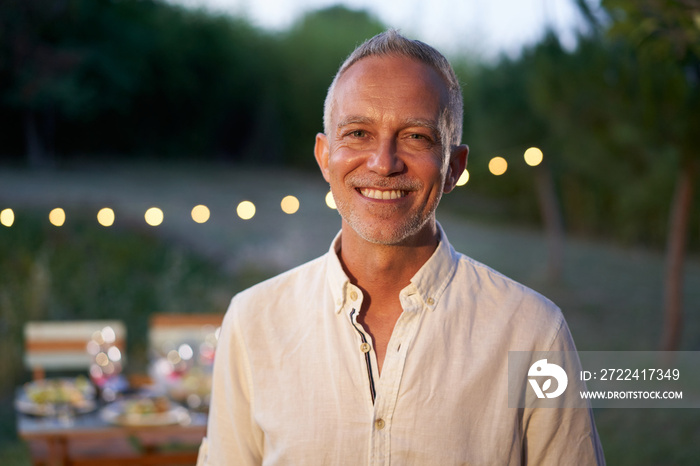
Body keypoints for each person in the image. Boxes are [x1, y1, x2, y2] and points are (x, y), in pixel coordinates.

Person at [198, 30, 605, 465]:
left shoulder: (532, 331)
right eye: (357, 132)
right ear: (324, 156)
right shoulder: (253, 320)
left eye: (416, 137)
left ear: (453, 167)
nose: (383, 163)